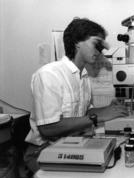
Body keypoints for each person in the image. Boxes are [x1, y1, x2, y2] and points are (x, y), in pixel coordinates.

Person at [24, 17, 128, 173]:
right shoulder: (49, 74)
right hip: (42, 151)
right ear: (77, 42)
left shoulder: (84, 76)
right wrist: (97, 118)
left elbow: (84, 114)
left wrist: (109, 109)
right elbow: (48, 128)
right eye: (96, 43)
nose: (100, 50)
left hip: (72, 143)